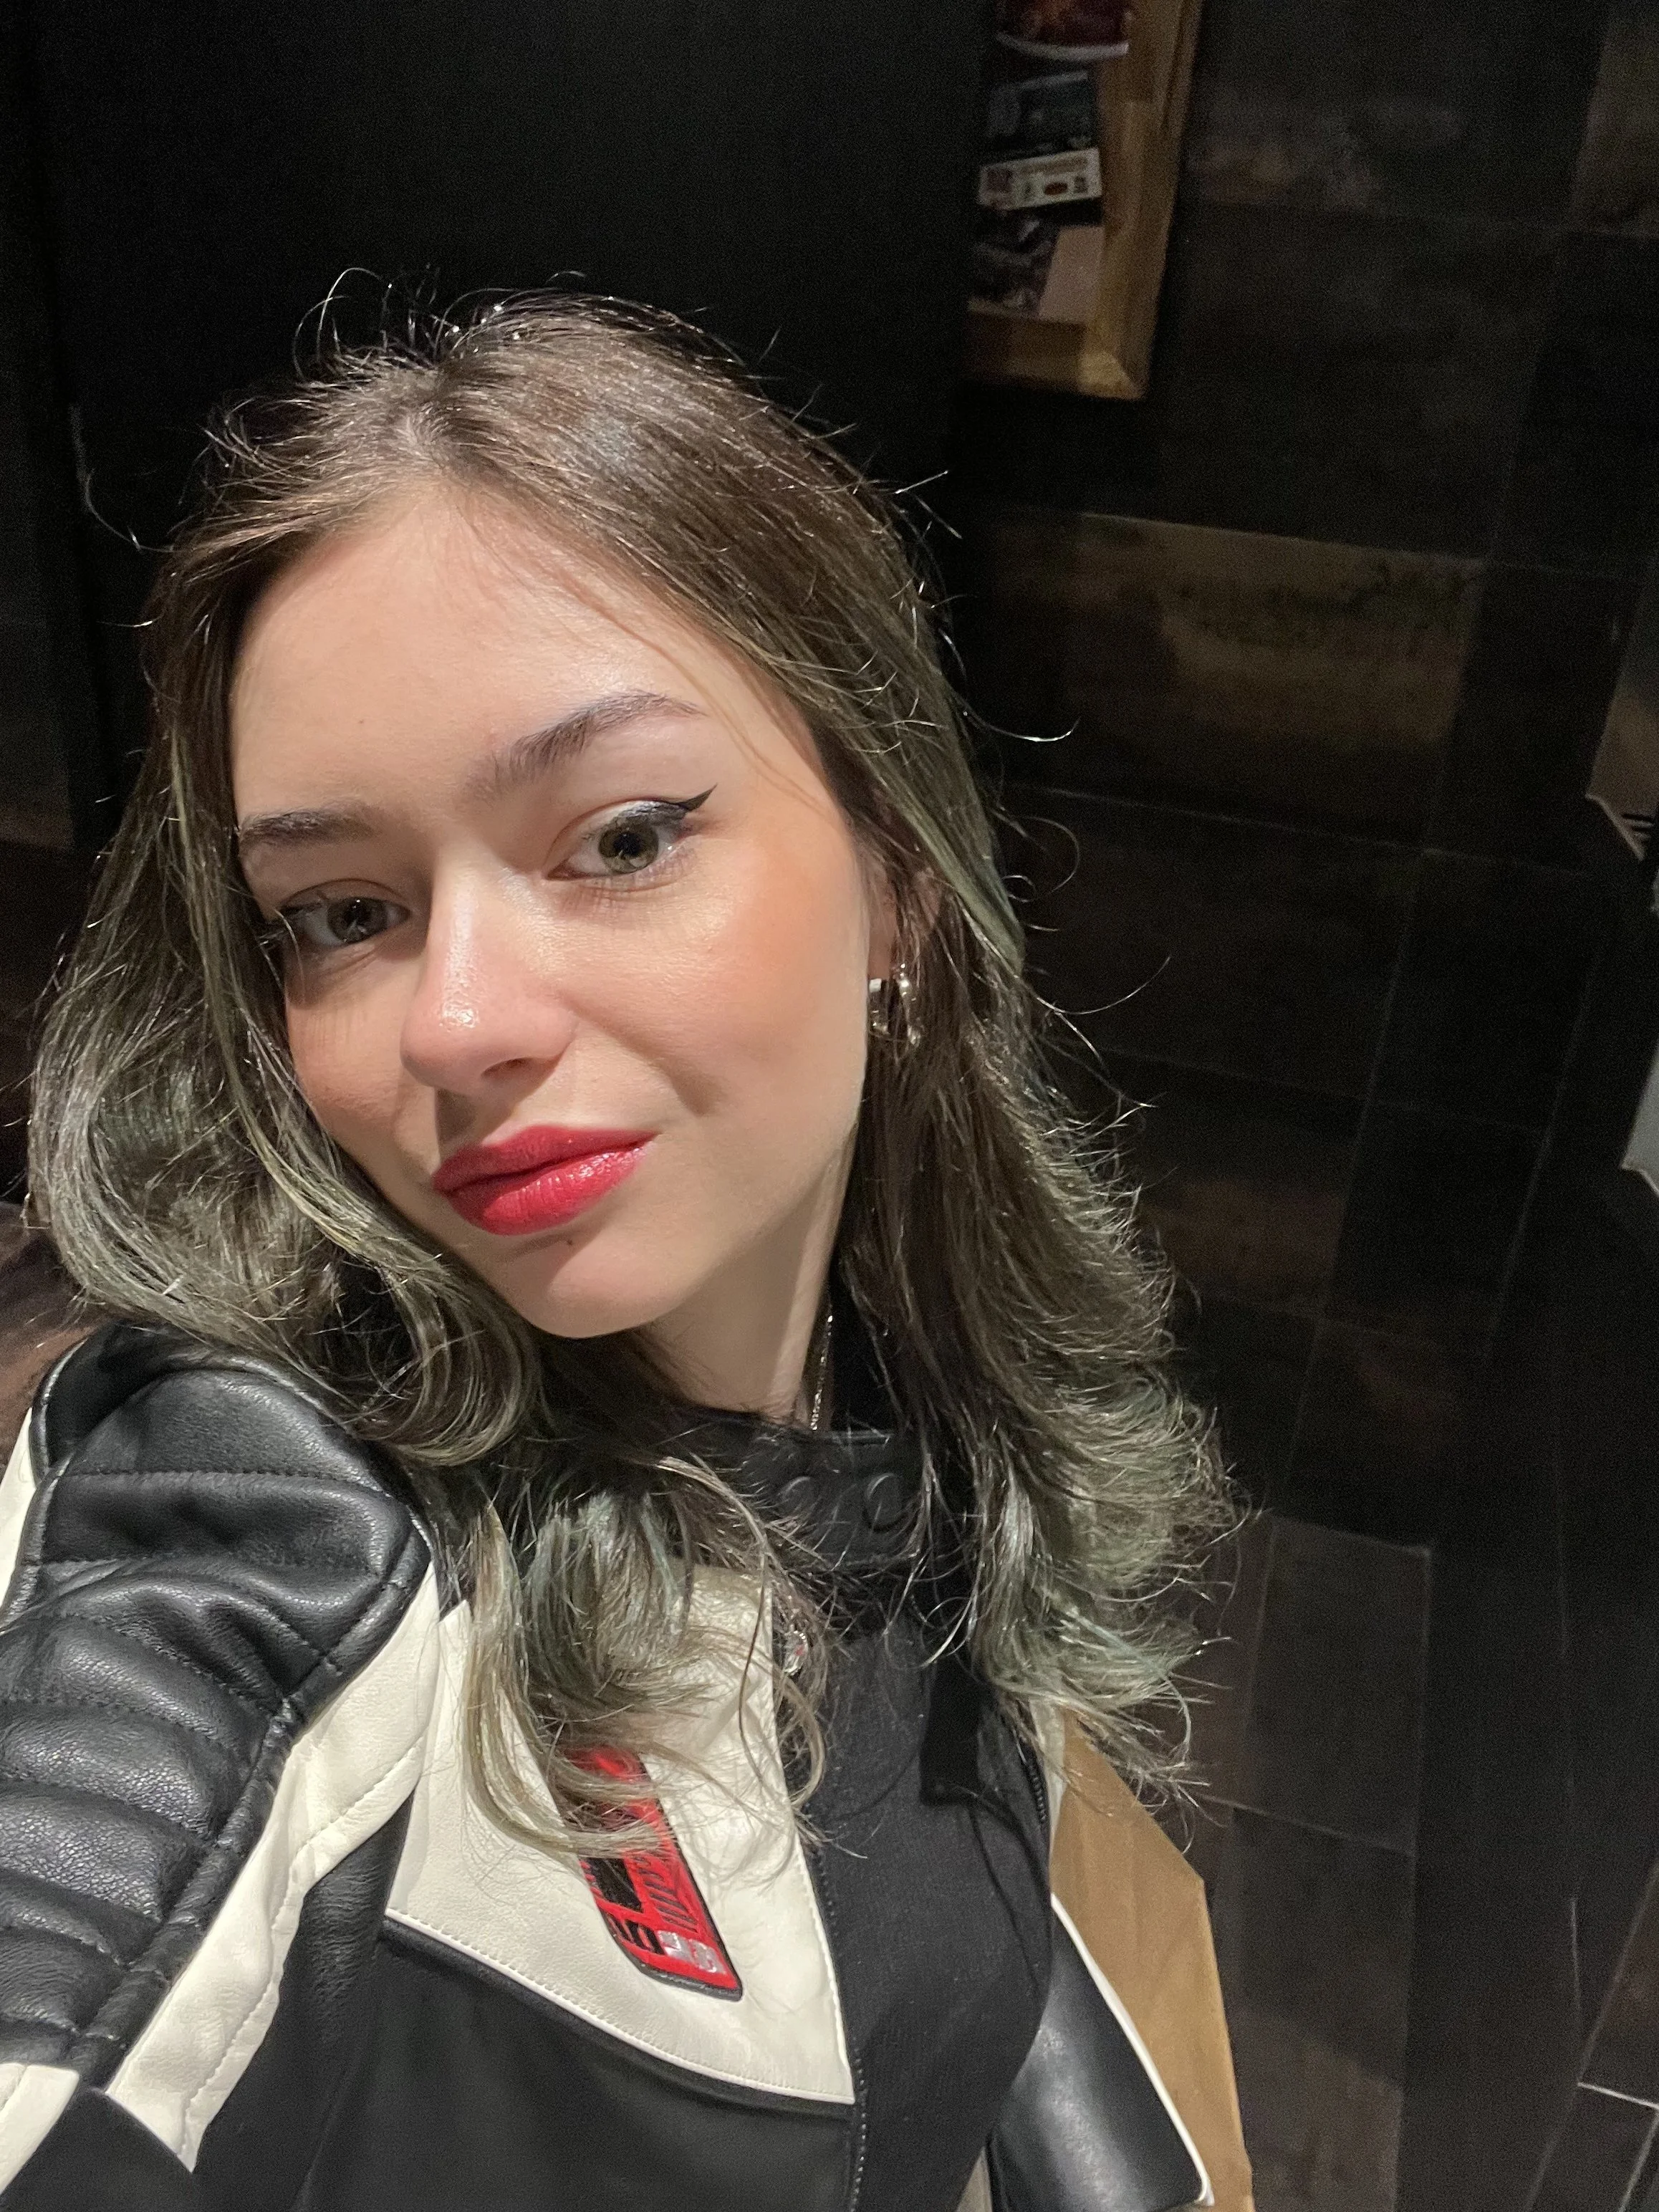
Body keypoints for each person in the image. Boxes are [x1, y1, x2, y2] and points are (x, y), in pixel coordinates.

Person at [0, 298, 1234, 2211]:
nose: (453, 1021)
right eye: (341, 910)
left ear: (893, 865)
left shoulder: (901, 1367)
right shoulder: (262, 1516)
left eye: (623, 835)